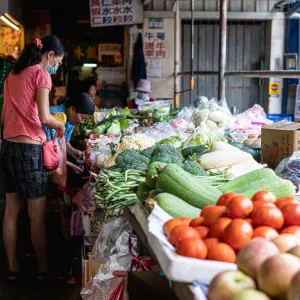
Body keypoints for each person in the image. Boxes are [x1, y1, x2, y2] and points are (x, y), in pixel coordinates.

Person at [0, 36, 65, 280]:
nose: (56, 67)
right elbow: (46, 117)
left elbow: (5, 116)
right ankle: (43, 269)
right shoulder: (41, 75)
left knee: (11, 211)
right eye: (57, 61)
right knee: (36, 214)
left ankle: (12, 267)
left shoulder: (11, 76)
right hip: (29, 150)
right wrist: (59, 125)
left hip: (7, 148)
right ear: (49, 55)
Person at [42, 92, 95, 173]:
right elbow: (49, 152)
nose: (82, 122)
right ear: (72, 109)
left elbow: (64, 141)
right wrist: (70, 165)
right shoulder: (53, 117)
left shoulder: (70, 120)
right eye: (82, 117)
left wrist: (73, 151)